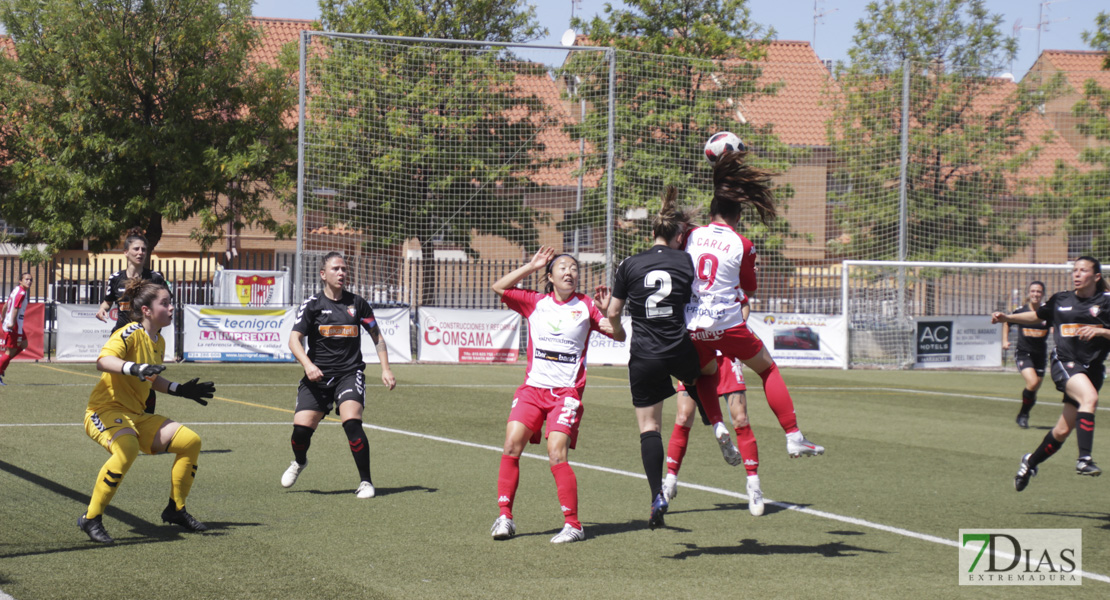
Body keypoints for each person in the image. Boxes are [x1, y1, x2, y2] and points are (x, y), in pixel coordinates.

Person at [606, 185, 735, 529]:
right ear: (680, 236)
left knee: (649, 428)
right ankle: (715, 421)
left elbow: (614, 312)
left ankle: (656, 497)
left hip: (644, 354)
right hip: (678, 347)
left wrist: (617, 331)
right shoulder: (686, 261)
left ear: (652, 233)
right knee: (705, 371)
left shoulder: (630, 264)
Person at [684, 149, 824, 458]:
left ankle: (718, 424)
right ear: (738, 216)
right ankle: (793, 435)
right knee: (767, 368)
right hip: (727, 323)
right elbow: (749, 286)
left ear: (710, 212)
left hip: (692, 324)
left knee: (705, 372)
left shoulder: (691, 236)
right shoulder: (742, 244)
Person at [490, 246, 615, 543]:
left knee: (556, 451)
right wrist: (531, 266)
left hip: (566, 393)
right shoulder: (535, 302)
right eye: (563, 267)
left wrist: (612, 311)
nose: (569, 272)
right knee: (511, 445)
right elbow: (499, 287)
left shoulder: (587, 305)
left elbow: (618, 334)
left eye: (574, 268)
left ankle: (573, 525)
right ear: (550, 276)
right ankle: (505, 518)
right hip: (532, 390)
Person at [78, 279, 216, 544]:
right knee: (127, 449)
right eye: (165, 303)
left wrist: (180, 389)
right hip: (104, 410)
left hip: (136, 415)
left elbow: (152, 378)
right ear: (147, 311)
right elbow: (103, 361)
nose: (171, 307)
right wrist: (135, 368)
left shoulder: (158, 341)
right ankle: (91, 518)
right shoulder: (129, 332)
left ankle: (176, 509)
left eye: (171, 302)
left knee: (190, 442)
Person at [281, 252, 396, 499]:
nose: (342, 273)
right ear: (323, 274)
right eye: (336, 269)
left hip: (349, 373)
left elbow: (377, 336)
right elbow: (294, 340)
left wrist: (385, 368)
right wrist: (308, 366)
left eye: (344, 268)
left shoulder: (358, 304)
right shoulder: (312, 305)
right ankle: (299, 462)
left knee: (352, 421)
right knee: (300, 431)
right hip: (317, 377)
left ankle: (366, 482)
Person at [993, 257, 1110, 492]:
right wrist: (1008, 318)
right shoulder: (1062, 299)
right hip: (1064, 362)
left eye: (1083, 270)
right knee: (1090, 399)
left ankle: (1029, 463)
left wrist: (1102, 331)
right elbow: (1038, 317)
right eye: (1074, 270)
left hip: (1093, 369)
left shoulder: (1107, 302)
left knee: (1062, 430)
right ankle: (1084, 459)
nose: (1076, 274)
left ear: (1096, 277)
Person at [668, 355, 765, 517]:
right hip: (695, 354)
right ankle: (670, 481)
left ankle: (754, 485)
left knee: (741, 419)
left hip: (725, 353)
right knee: (683, 417)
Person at [96, 228, 168, 414]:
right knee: (115, 379)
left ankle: (145, 419)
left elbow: (165, 301)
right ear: (126, 253)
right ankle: (112, 416)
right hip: (122, 335)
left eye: (143, 249)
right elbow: (108, 300)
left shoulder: (155, 278)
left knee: (147, 379)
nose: (140, 253)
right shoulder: (116, 278)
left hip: (147, 338)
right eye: (136, 249)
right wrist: (103, 309)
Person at [1001, 281, 1050, 429]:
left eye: (1039, 292)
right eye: (1033, 291)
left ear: (1043, 294)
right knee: (1033, 382)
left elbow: (1058, 326)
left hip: (1040, 355)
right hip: (1024, 353)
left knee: (1034, 388)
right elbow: (1007, 322)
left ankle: (1024, 413)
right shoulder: (1021, 311)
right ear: (1029, 293)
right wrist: (1005, 340)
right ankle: (1023, 415)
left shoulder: (1047, 312)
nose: (1035, 294)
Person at [0, 272, 32, 385]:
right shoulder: (21, 293)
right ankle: (0, 369)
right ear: (20, 281)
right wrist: (11, 323)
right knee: (9, 351)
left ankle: (2, 367)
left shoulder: (16, 290)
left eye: (30, 279)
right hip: (13, 326)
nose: (29, 281)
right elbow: (15, 309)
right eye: (26, 279)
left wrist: (2, 317)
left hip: (13, 324)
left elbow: (6, 305)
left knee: (24, 344)